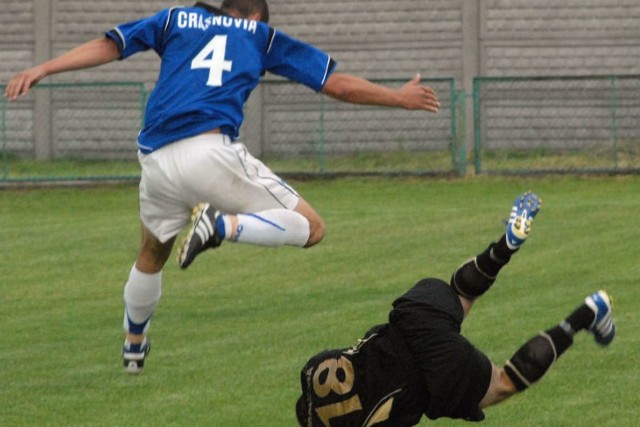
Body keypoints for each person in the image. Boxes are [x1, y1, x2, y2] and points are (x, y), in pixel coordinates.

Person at [5, 1, 441, 374]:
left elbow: (111, 44)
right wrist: (399, 97)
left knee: (151, 253)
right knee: (311, 227)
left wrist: (44, 67)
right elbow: (336, 84)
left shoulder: (177, 18)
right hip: (209, 153)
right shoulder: (259, 34)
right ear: (254, 14)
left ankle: (134, 346)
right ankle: (222, 226)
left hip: (156, 161)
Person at [296, 191, 616, 426]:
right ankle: (505, 246)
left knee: (503, 383)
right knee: (460, 292)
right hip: (411, 319)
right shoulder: (313, 370)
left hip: (432, 373)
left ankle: (586, 315)